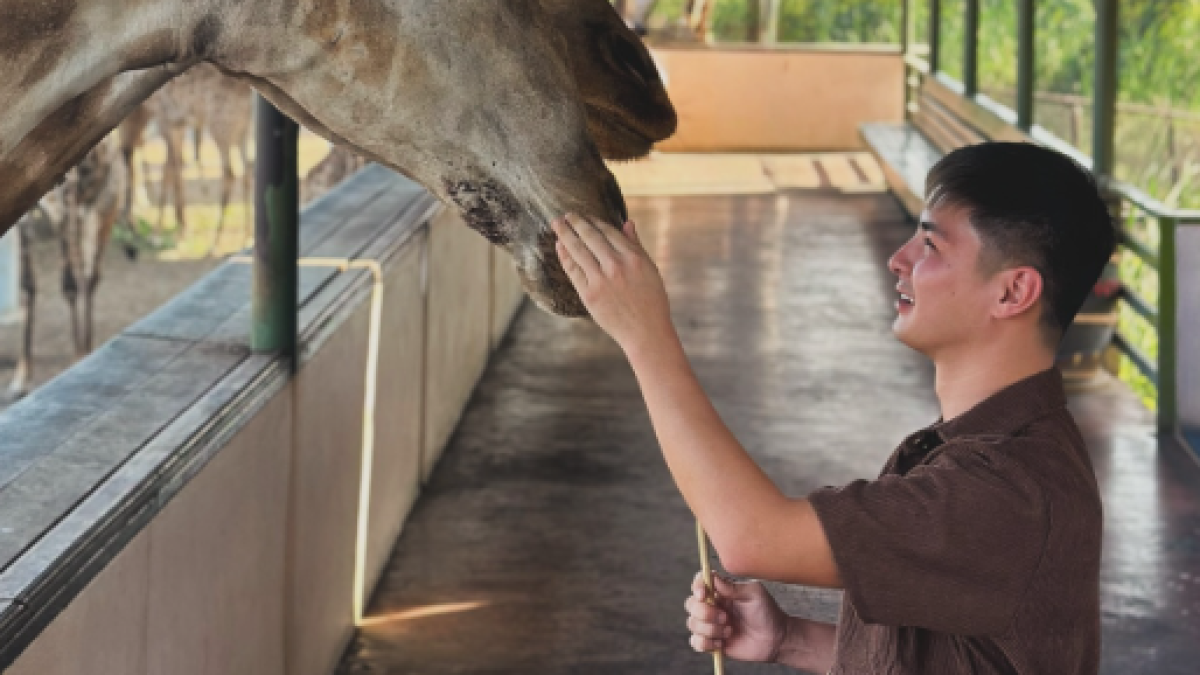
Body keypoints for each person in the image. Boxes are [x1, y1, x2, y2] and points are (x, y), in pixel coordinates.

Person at [550, 141, 1116, 674]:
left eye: (931, 245)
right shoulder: (1000, 450)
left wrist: (644, 335)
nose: (900, 259)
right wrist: (789, 637)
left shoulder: (1006, 492)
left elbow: (752, 538)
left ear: (1013, 292)